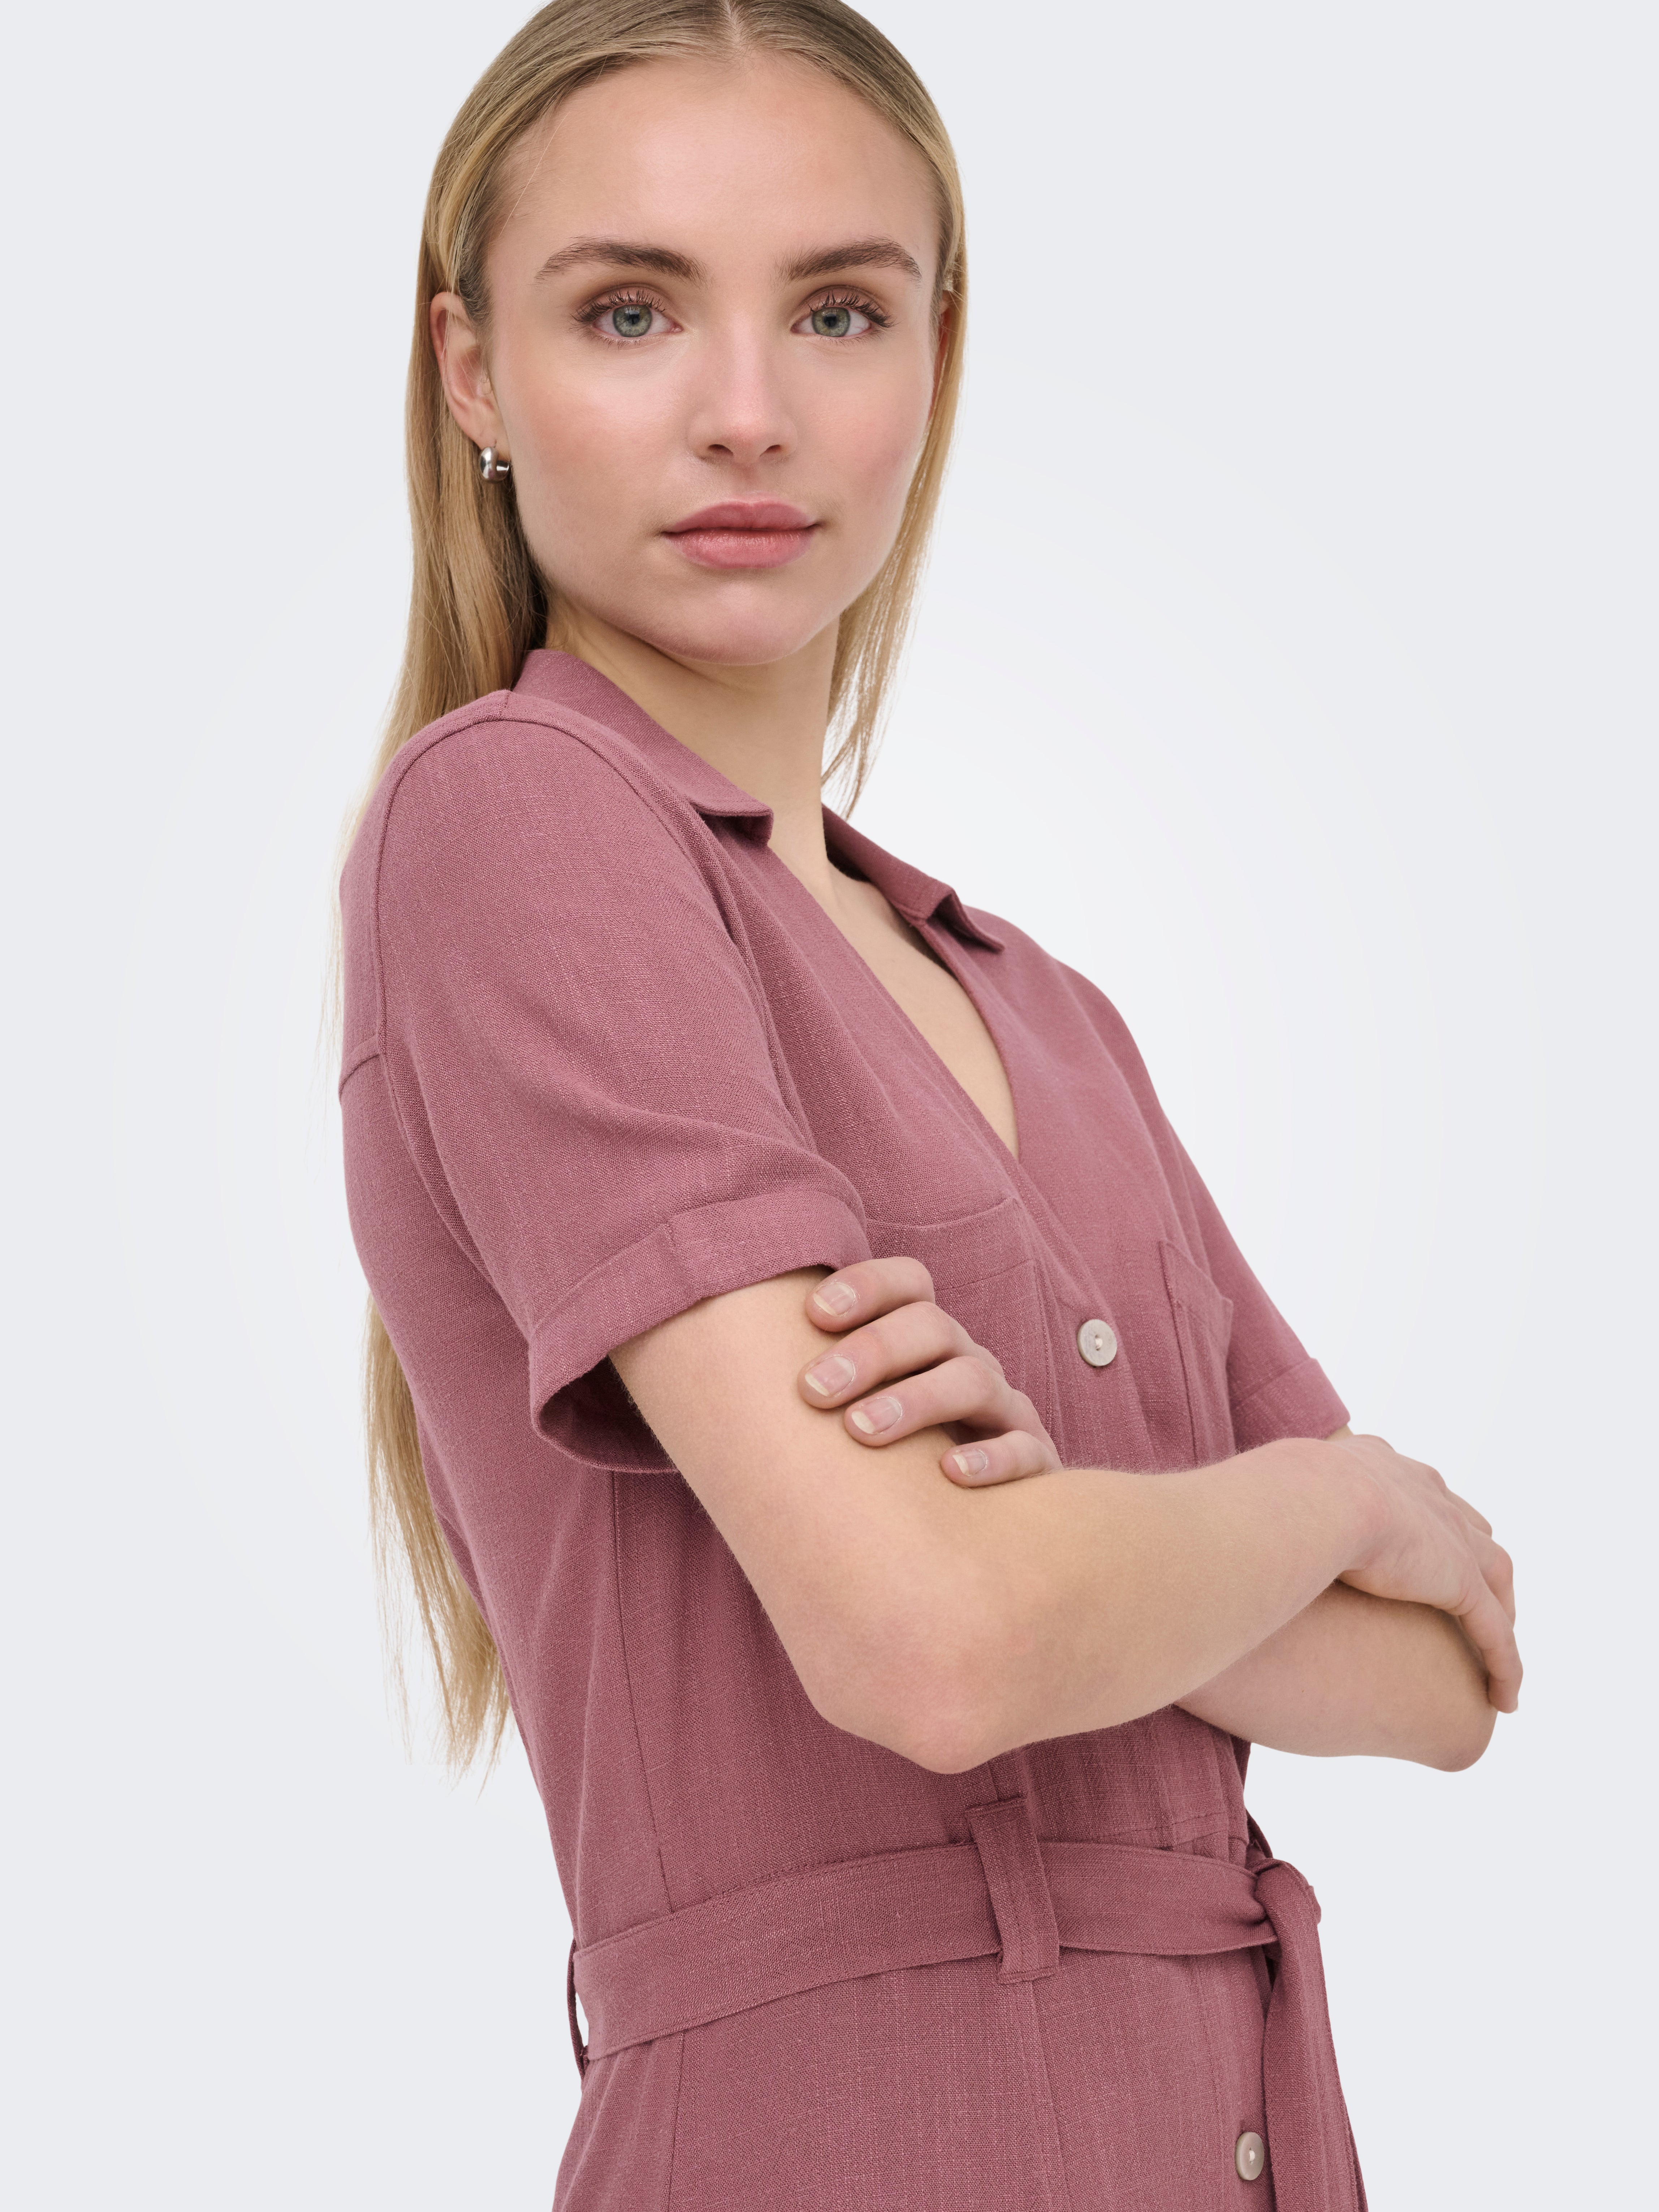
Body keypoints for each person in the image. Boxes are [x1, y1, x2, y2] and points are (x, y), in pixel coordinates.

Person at [337, 4, 1520, 2206]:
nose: (747, 410)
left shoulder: (1044, 1007)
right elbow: (938, 1646)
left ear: (936, 362)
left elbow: (1447, 1676)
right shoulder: (518, 818)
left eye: (838, 310)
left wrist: (1056, 1531)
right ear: (472, 373)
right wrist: (1331, 1491)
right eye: (628, 311)